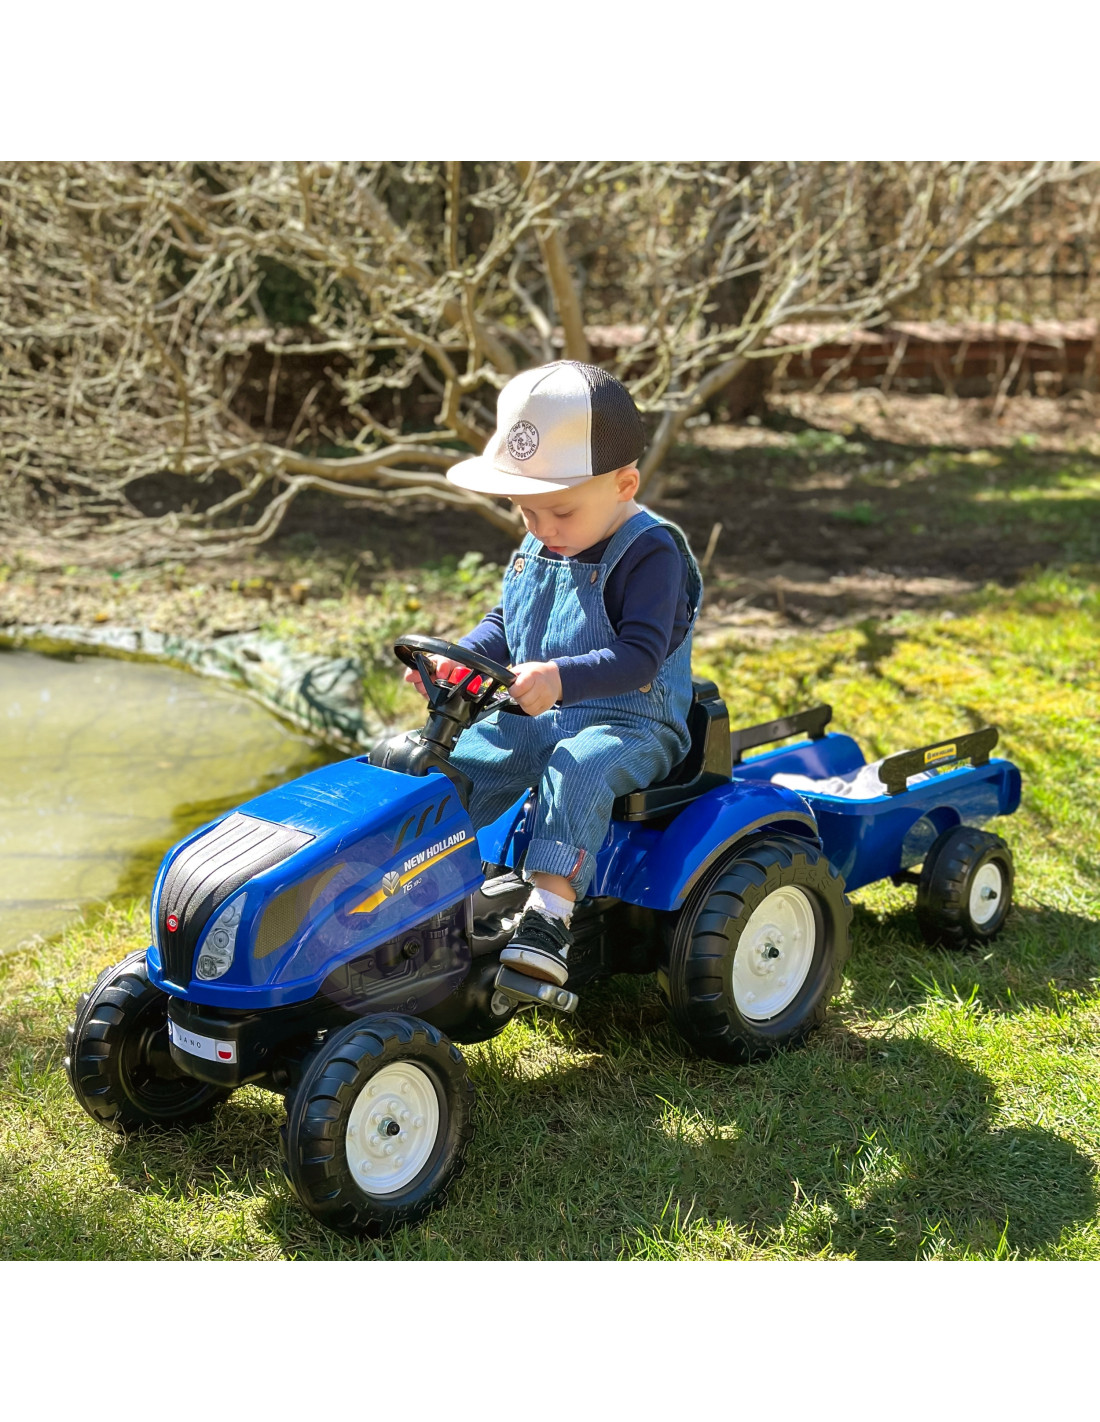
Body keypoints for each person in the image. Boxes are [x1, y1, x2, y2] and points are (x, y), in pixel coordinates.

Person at [404, 360, 702, 1007]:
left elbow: (640, 656)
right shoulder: (546, 542)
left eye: (559, 511)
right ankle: (415, 888)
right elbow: (505, 622)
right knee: (458, 762)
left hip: (629, 722)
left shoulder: (651, 553)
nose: (541, 529)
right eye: (525, 511)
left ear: (624, 485)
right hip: (537, 711)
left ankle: (549, 915)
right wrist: (462, 659)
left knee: (578, 767)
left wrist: (560, 678)